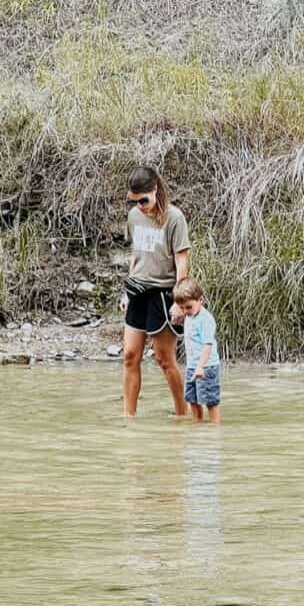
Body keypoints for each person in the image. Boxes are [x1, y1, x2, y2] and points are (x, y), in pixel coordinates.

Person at [119, 166, 191, 418]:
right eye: (134, 201)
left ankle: (183, 413)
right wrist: (126, 292)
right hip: (137, 290)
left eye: (144, 200)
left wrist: (179, 301)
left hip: (163, 293)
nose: (140, 206)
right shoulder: (134, 217)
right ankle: (129, 417)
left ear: (155, 190)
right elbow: (135, 254)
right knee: (129, 355)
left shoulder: (175, 218)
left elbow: (182, 260)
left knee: (164, 359)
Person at [174, 277, 221, 424]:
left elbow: (208, 345)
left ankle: (215, 427)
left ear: (201, 300)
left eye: (188, 307)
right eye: (182, 308)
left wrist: (201, 367)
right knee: (192, 399)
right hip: (192, 366)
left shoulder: (205, 319)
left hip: (206, 367)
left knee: (210, 401)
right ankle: (197, 425)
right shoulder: (189, 316)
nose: (185, 311)